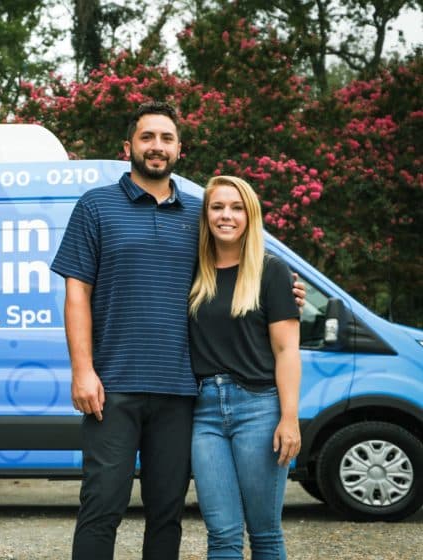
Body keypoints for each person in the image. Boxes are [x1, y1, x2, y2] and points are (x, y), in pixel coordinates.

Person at [51, 102, 303, 560]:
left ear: (179, 149)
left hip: (181, 393)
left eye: (166, 138)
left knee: (167, 513)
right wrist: (82, 371)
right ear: (128, 146)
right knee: (102, 507)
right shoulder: (95, 206)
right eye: (147, 137)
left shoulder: (198, 216)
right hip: (113, 388)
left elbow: (235, 269)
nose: (157, 146)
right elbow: (77, 294)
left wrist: (285, 293)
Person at [188, 175, 301, 559]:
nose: (227, 215)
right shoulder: (192, 272)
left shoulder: (272, 272)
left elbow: (286, 350)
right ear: (206, 215)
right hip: (203, 413)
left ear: (250, 216)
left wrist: (289, 418)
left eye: (237, 208)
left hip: (259, 410)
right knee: (221, 534)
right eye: (217, 207)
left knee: (264, 532)